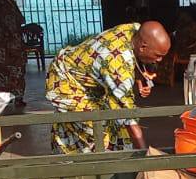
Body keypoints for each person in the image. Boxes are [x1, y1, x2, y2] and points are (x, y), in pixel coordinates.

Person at [44, 21, 170, 153]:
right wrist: (146, 156)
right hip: (66, 80)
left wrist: (139, 79)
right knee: (98, 130)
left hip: (90, 80)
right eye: (158, 55)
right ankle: (76, 162)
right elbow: (129, 116)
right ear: (143, 47)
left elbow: (134, 57)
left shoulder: (136, 30)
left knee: (114, 123)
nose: (160, 60)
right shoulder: (117, 65)